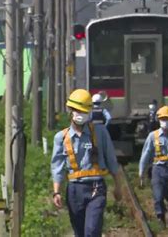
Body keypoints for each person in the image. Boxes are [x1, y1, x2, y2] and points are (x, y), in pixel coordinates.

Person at [51, 89, 122, 237]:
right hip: (74, 190)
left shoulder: (101, 132)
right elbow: (57, 167)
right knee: (80, 233)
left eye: (83, 111)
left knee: (92, 231)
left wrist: (117, 186)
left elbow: (111, 159)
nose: (79, 114)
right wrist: (56, 191)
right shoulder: (61, 138)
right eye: (76, 110)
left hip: (96, 188)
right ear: (70, 110)